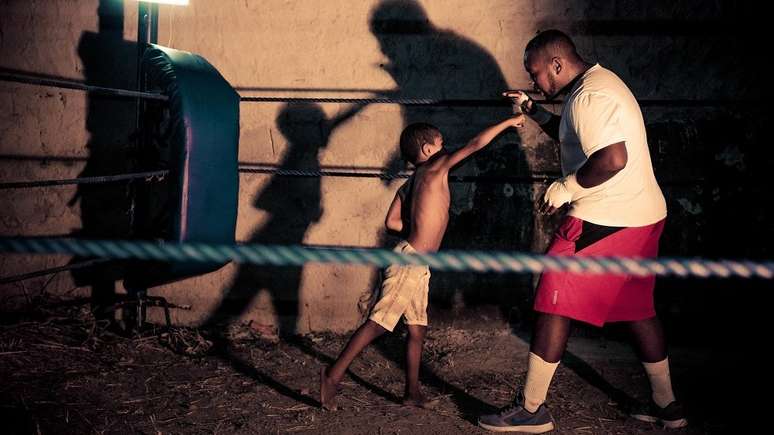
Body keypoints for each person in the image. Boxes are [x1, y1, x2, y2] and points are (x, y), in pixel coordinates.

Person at [478, 30, 686, 432]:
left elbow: (611, 158)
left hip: (606, 218)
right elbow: (573, 132)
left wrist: (566, 187)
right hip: (640, 215)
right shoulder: (591, 86)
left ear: (557, 64)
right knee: (638, 310)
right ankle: (668, 406)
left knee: (554, 299)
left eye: (535, 73)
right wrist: (533, 110)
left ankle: (531, 409)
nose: (534, 81)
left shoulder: (591, 96)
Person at [320, 115, 525, 411]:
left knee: (417, 330)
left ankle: (412, 392)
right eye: (441, 143)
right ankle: (333, 374)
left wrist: (417, 222)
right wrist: (508, 123)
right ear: (428, 151)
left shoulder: (410, 183)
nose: (446, 147)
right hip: (410, 261)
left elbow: (391, 222)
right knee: (379, 323)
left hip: (415, 261)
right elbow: (475, 143)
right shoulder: (437, 167)